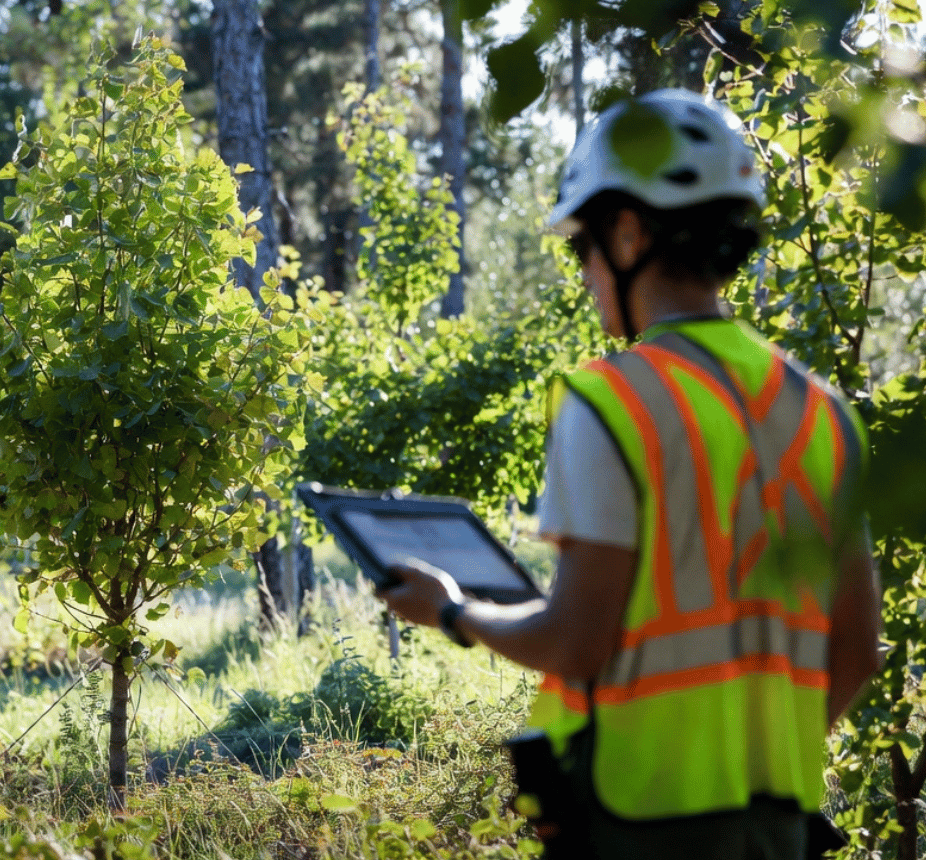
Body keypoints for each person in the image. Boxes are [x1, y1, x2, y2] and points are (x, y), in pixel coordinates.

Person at [378, 89, 882, 860]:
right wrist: (760, 753)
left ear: (628, 231)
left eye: (581, 246)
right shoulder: (820, 412)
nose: (583, 271)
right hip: (778, 826)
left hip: (639, 822)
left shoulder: (609, 404)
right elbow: (856, 652)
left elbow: (575, 641)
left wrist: (453, 611)